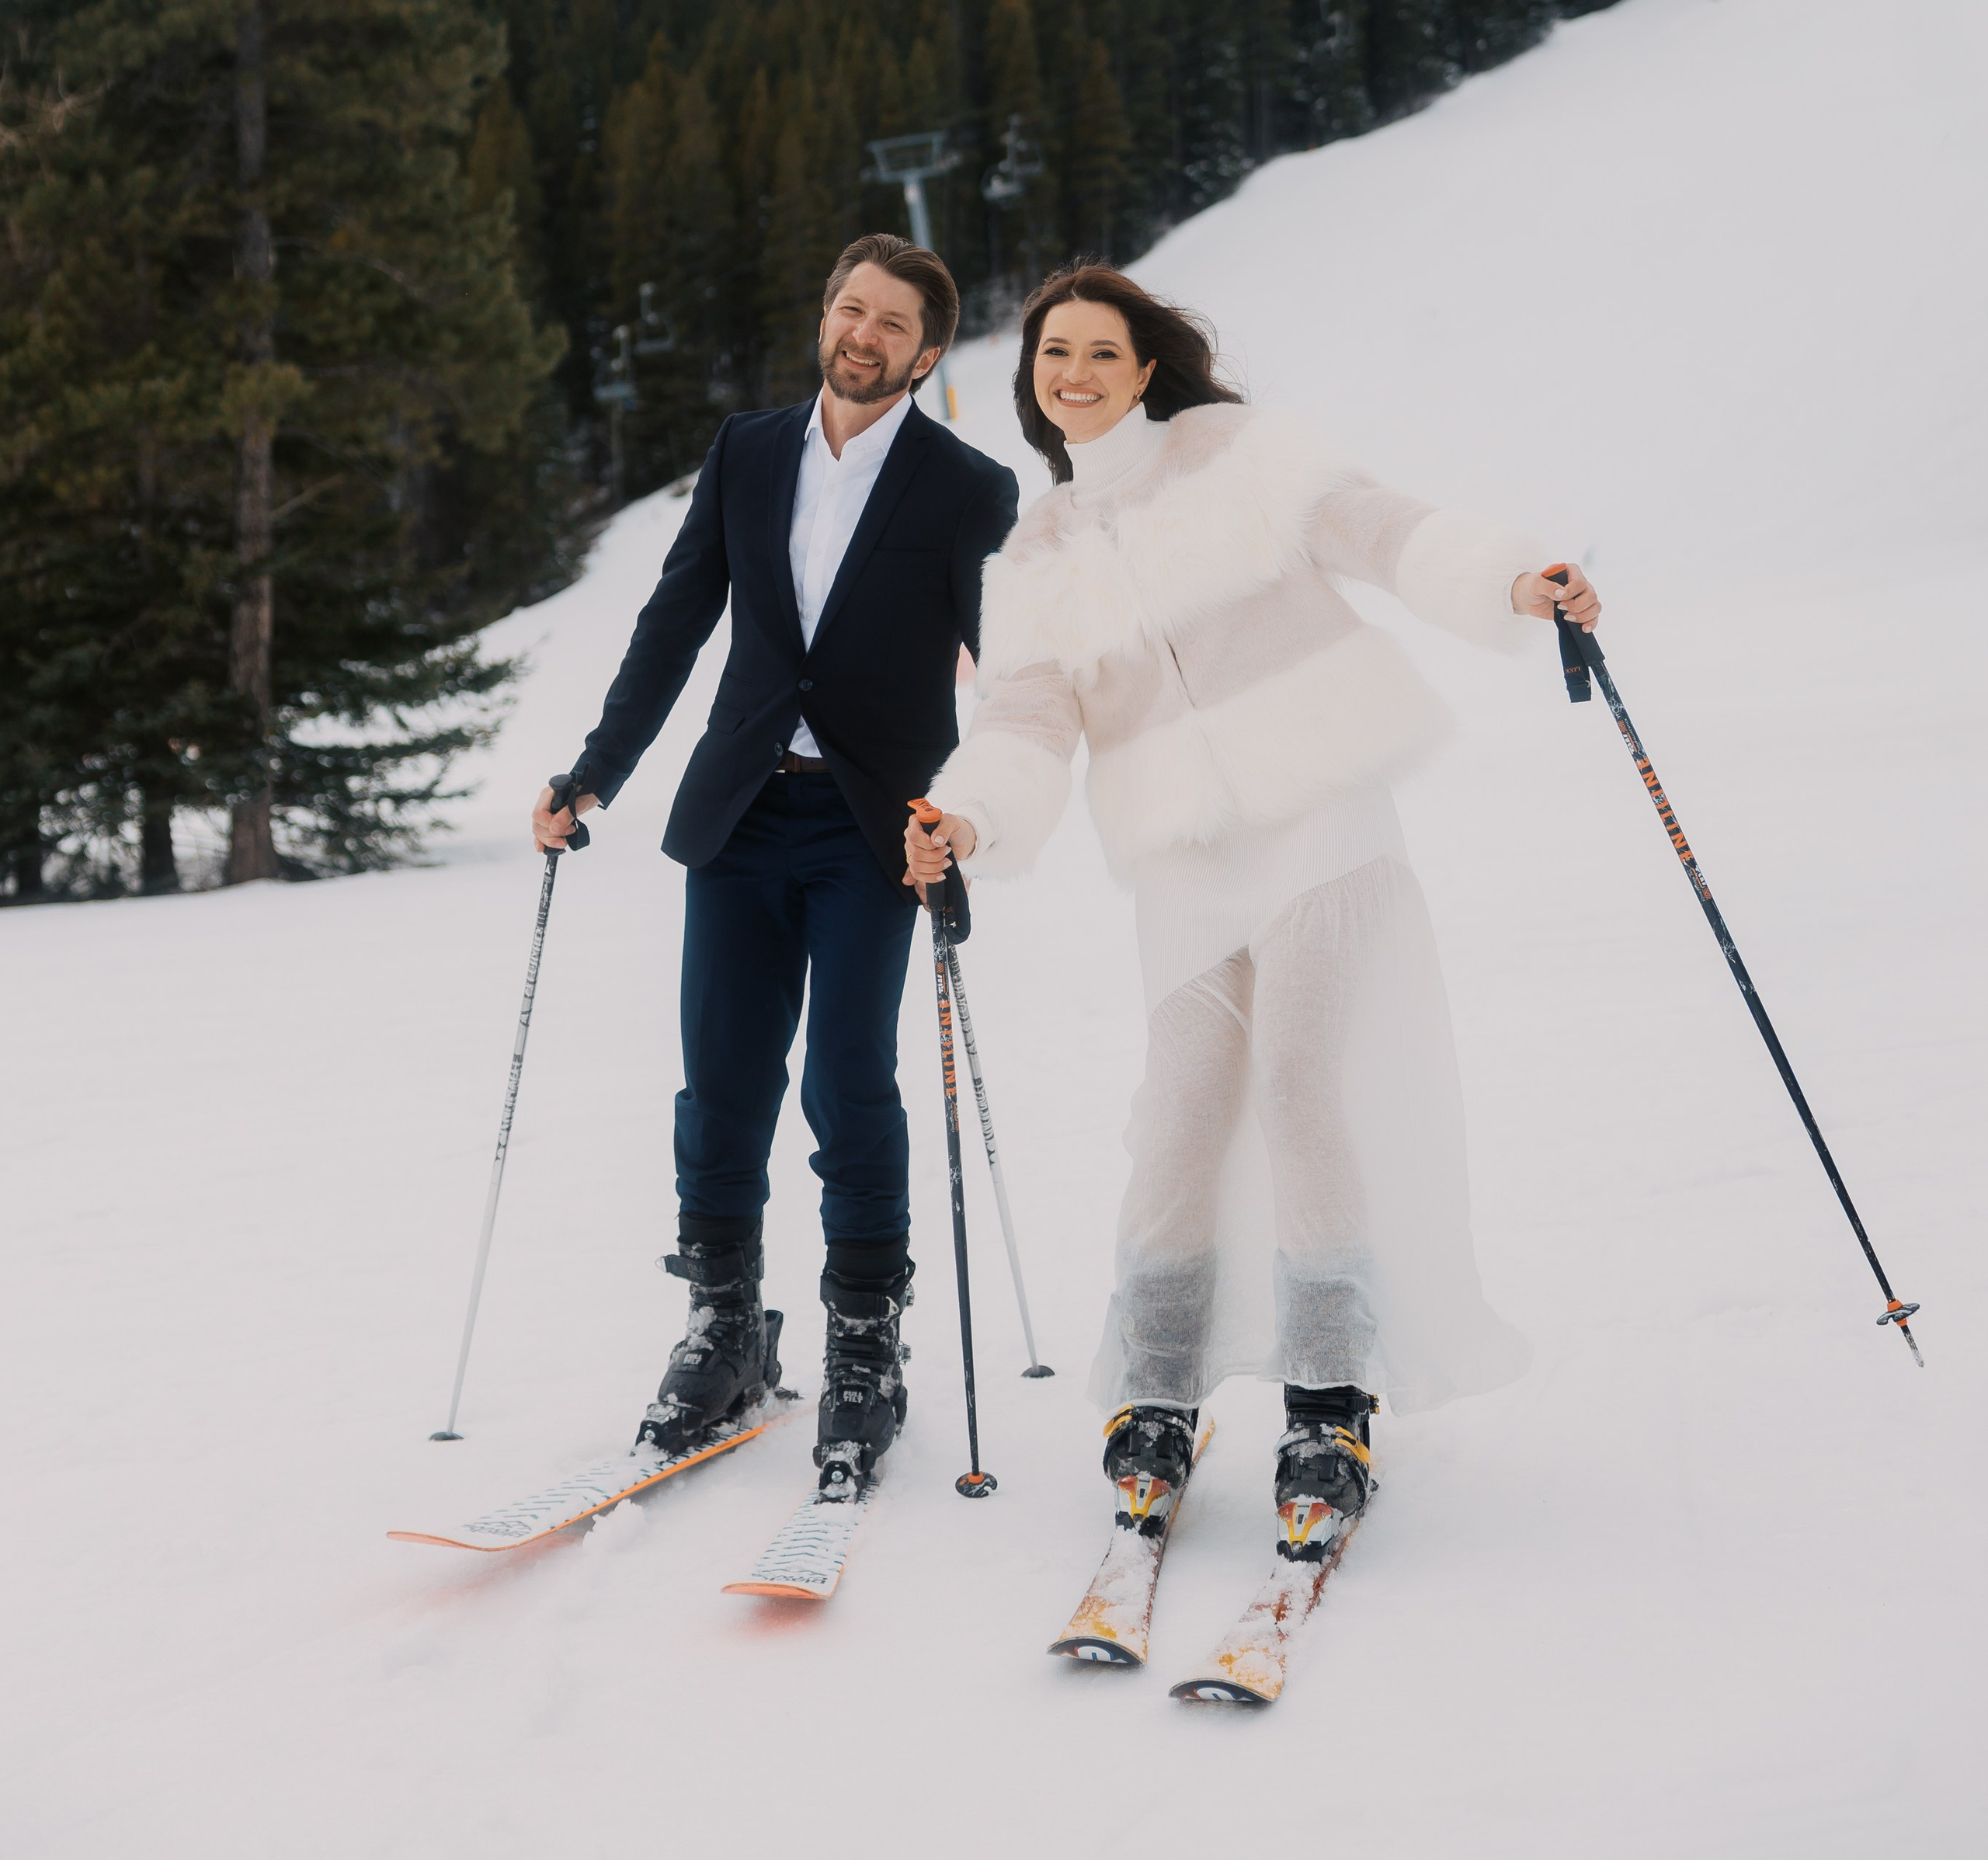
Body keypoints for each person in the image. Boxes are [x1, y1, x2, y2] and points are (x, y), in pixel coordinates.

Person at [907, 263, 1598, 1566]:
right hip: (1185, 860)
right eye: (1055, 353)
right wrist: (970, 818)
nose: (1076, 372)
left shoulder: (1233, 455)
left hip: (1320, 817)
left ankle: (1329, 1394)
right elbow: (1024, 723)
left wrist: (1513, 577)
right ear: (1033, 378)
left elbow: (1377, 527)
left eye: (1101, 351)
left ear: (1146, 367)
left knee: (1295, 1082)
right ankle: (1157, 1389)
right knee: (1177, 1111)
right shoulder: (1037, 553)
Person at [537, 235, 1017, 1497]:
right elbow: (674, 621)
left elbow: (1012, 683)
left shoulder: (968, 488)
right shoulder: (748, 449)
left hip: (875, 826)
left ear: (925, 350)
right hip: (744, 812)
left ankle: (866, 1341)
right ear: (827, 317)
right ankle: (728, 1325)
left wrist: (969, 817)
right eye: (847, 307)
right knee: (724, 1079)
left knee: (850, 1081)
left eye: (890, 320)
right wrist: (595, 771)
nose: (861, 332)